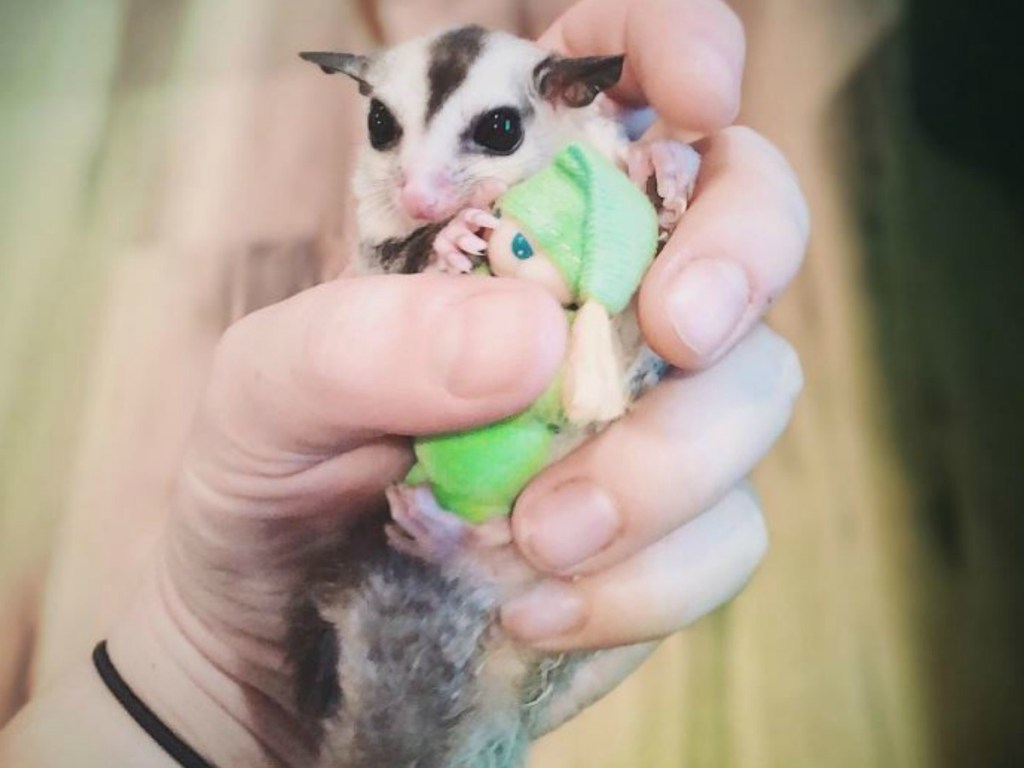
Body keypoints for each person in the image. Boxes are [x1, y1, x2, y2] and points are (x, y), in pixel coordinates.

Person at [0, 0, 807, 764]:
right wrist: (203, 682)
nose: (420, 188)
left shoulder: (588, 156)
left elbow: (625, 239)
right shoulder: (407, 206)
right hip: (442, 533)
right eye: (387, 128)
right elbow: (395, 252)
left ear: (567, 98)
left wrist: (665, 176)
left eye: (491, 132)